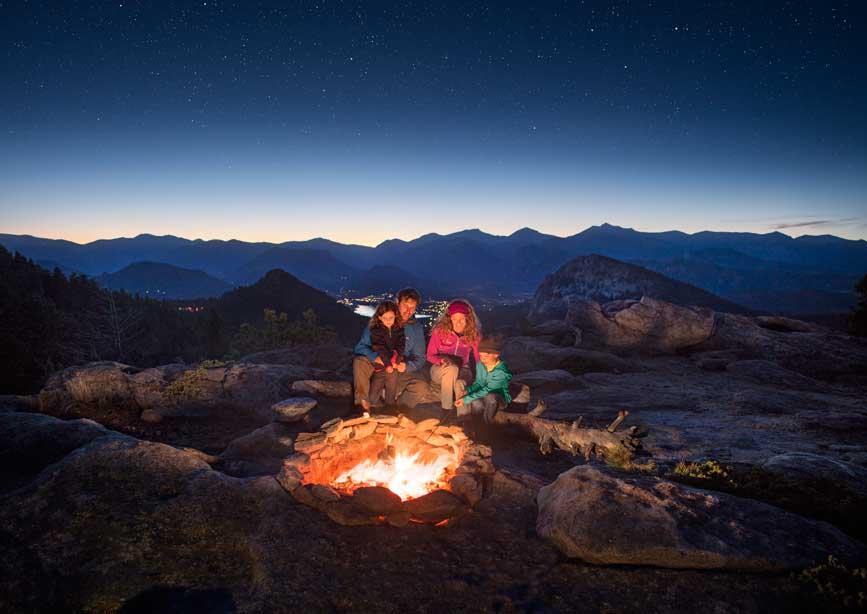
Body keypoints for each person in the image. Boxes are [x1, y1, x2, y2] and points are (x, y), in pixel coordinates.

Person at [353, 288, 429, 410]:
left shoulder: (415, 328)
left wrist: (406, 366)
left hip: (397, 369)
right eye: (405, 306)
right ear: (397, 302)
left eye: (412, 307)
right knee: (360, 362)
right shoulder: (382, 319)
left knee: (421, 386)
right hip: (377, 366)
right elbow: (360, 347)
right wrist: (375, 357)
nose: (408, 311)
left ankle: (396, 409)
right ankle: (362, 405)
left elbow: (420, 358)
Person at [426, 299, 481, 413]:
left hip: (463, 371)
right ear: (449, 318)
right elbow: (429, 355)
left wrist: (481, 378)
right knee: (452, 368)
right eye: (454, 319)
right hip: (440, 369)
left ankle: (464, 418)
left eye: (462, 319)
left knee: (460, 384)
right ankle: (446, 410)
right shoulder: (440, 332)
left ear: (468, 319)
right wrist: (442, 360)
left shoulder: (473, 335)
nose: (458, 322)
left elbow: (477, 359)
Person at [455, 336, 512, 423]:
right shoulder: (480, 365)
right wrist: (468, 391)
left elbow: (488, 389)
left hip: (498, 399)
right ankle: (476, 424)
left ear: (496, 354)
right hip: (482, 395)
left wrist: (466, 399)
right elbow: (479, 383)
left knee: (490, 397)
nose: (483, 358)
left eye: (486, 355)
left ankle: (487, 423)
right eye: (480, 355)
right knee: (475, 402)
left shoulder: (501, 371)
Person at [366, 300, 405, 407]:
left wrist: (396, 361)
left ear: (395, 316)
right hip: (381, 365)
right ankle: (372, 406)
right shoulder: (376, 331)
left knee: (391, 390)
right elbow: (380, 348)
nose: (388, 321)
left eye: (391, 318)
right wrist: (387, 364)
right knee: (374, 393)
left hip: (394, 365)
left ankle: (390, 408)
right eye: (385, 318)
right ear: (379, 317)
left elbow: (401, 346)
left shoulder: (399, 329)